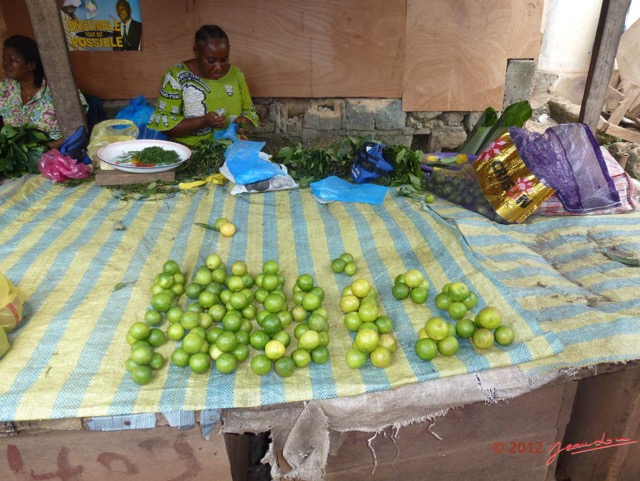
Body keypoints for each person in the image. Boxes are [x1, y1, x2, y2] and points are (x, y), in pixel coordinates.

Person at [147, 24, 259, 148]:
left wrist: (245, 121)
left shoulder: (236, 75)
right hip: (191, 151)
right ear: (196, 51)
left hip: (232, 148)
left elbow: (249, 111)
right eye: (211, 61)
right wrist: (203, 121)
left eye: (224, 60)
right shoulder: (176, 77)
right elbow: (164, 125)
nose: (219, 67)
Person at [0, 35, 86, 148]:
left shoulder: (59, 91)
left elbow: (78, 131)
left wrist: (45, 149)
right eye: (5, 59)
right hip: (17, 158)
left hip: (56, 156)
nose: (6, 64)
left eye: (12, 60)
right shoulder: (4, 89)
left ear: (31, 65)